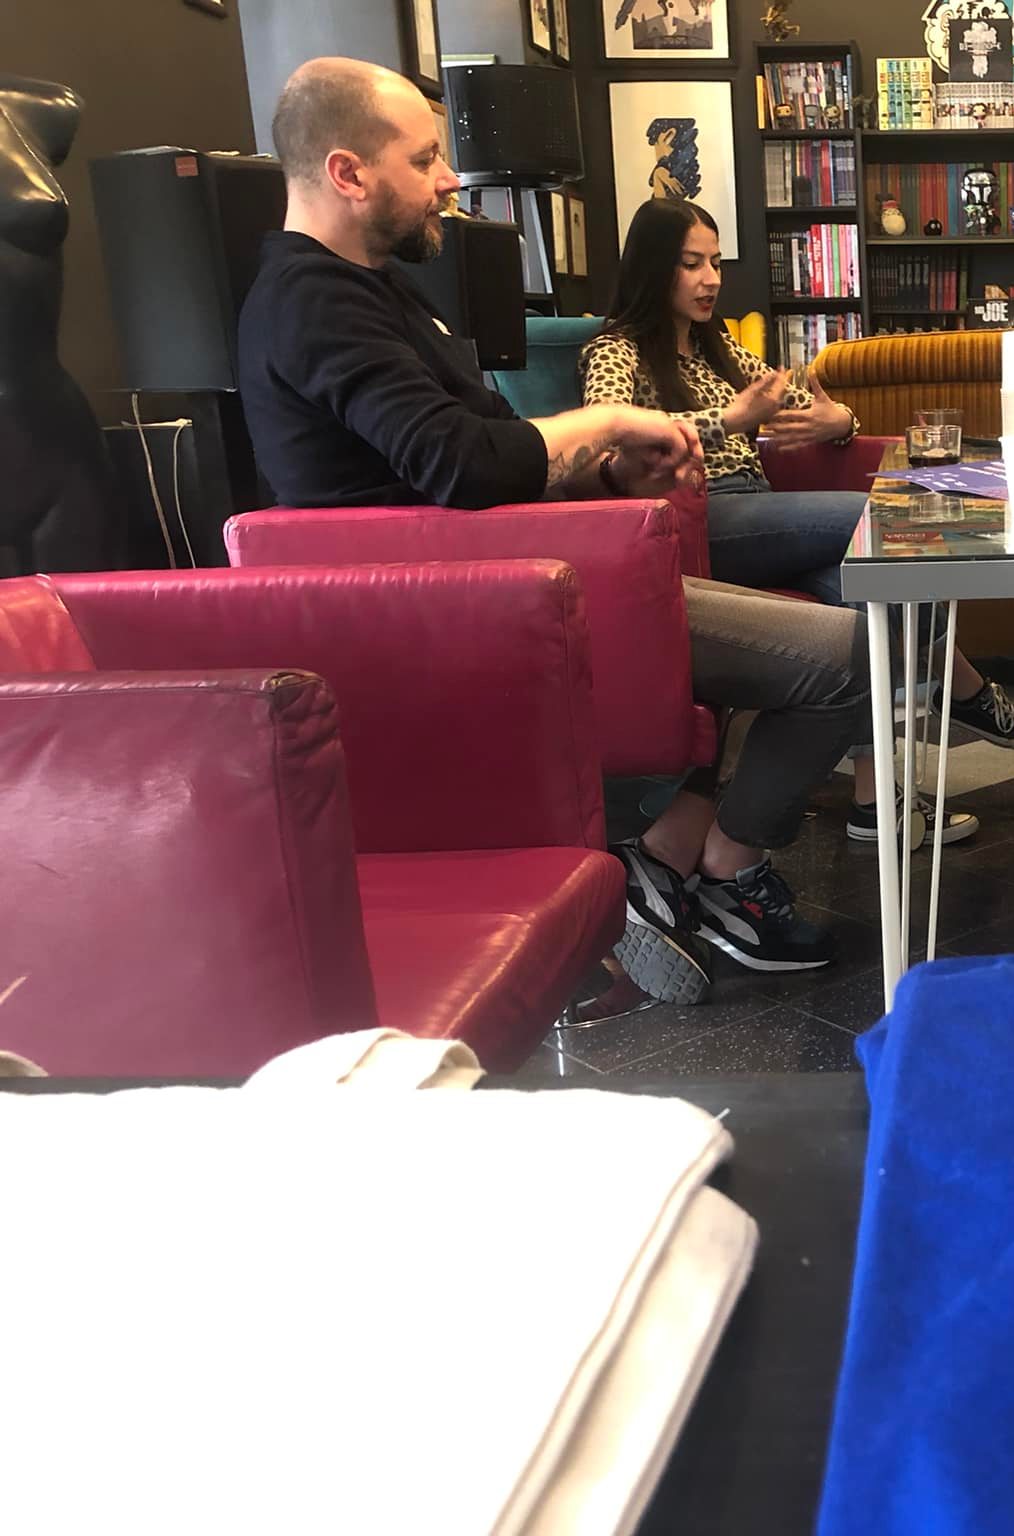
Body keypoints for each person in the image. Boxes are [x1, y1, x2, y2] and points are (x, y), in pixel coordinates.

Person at [236, 57, 866, 1002]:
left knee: (839, 624)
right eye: (426, 158)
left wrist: (606, 473)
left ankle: (669, 860)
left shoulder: (373, 288)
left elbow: (490, 447)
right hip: (467, 615)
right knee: (852, 654)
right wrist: (607, 424)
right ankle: (725, 870)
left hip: (525, 579)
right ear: (347, 172)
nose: (452, 178)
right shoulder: (313, 299)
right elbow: (460, 464)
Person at [580, 197, 1014, 843]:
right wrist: (730, 420)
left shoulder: (721, 351)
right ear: (653, 267)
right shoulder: (616, 350)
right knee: (879, 513)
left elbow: (810, 405)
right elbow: (608, 437)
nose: (711, 279)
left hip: (765, 514)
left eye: (715, 263)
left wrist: (842, 421)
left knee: (865, 599)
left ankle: (873, 802)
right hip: (699, 520)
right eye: (691, 264)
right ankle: (961, 691)